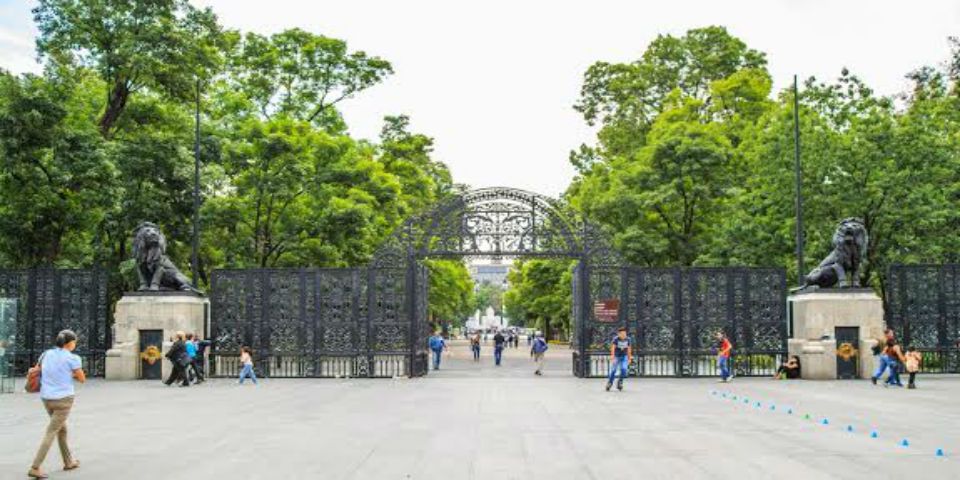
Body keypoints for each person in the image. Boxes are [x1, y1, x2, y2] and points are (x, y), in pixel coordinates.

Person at [28, 329, 85, 479]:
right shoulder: (73, 358)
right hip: (63, 400)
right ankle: (35, 467)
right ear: (70, 343)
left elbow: (39, 370)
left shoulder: (46, 354)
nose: (75, 344)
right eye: (74, 342)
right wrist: (69, 373)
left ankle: (68, 461)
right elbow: (82, 378)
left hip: (46, 398)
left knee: (62, 429)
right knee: (52, 431)